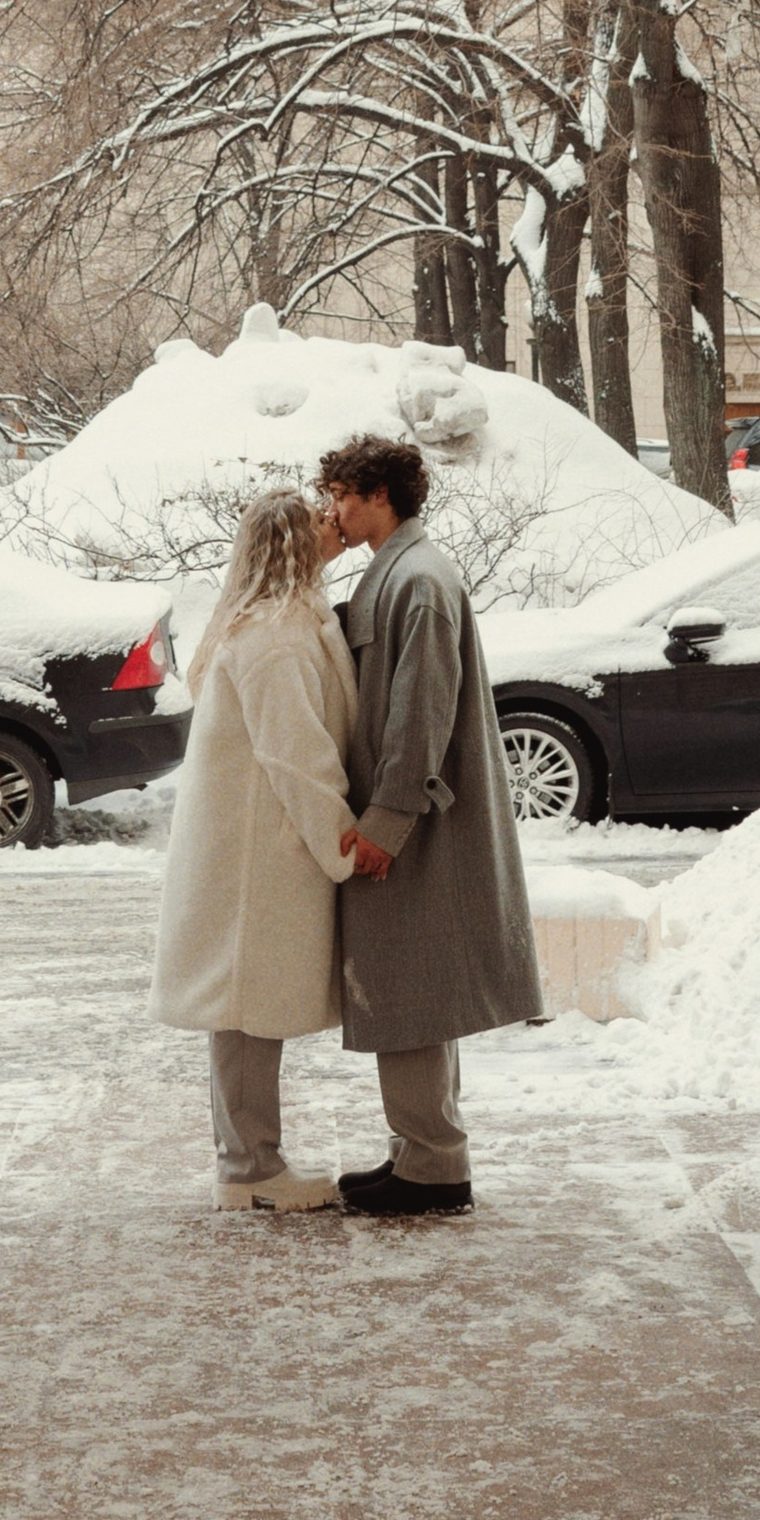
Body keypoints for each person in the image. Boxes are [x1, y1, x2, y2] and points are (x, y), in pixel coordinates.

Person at [317, 435, 543, 1219]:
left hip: (414, 823)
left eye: (342, 495)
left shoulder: (417, 579)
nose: (333, 511)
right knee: (414, 990)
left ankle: (433, 1167)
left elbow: (420, 712)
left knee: (406, 987)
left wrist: (387, 821)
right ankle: (426, 1153)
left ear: (379, 495)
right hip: (417, 816)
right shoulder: (407, 571)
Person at [149, 486, 361, 1212]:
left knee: (243, 1006)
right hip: (257, 857)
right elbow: (297, 754)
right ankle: (249, 1169)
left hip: (248, 851)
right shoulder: (275, 637)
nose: (337, 527)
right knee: (244, 1006)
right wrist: (345, 841)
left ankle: (249, 1159)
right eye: (322, 522)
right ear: (299, 546)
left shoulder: (267, 623)